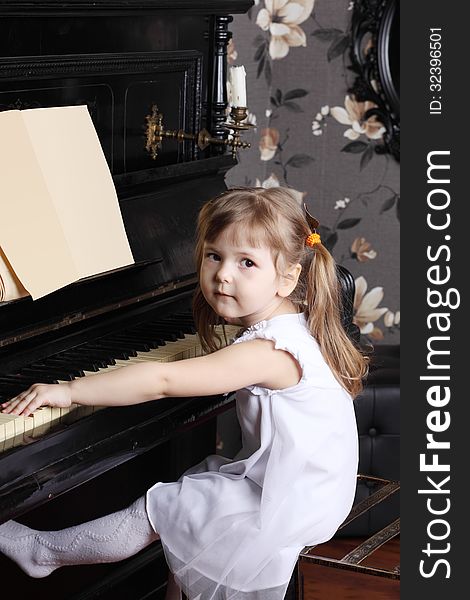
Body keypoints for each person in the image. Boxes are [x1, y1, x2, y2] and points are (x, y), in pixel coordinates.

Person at [0, 186, 368, 600]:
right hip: (310, 490)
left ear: (287, 277)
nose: (223, 274)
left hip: (287, 504)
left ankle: (43, 553)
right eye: (214, 255)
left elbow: (162, 380)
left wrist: (69, 390)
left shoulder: (268, 353)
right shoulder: (294, 324)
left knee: (162, 510)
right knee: (189, 515)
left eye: (246, 262)